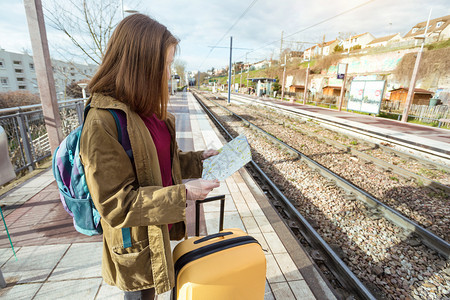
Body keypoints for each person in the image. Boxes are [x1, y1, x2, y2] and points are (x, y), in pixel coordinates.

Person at [79, 14, 220, 300]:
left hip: (158, 229)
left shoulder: (147, 109)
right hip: (137, 244)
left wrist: (199, 159)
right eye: (166, 65)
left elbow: (163, 162)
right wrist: (182, 195)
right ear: (141, 64)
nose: (170, 74)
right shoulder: (102, 122)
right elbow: (115, 204)